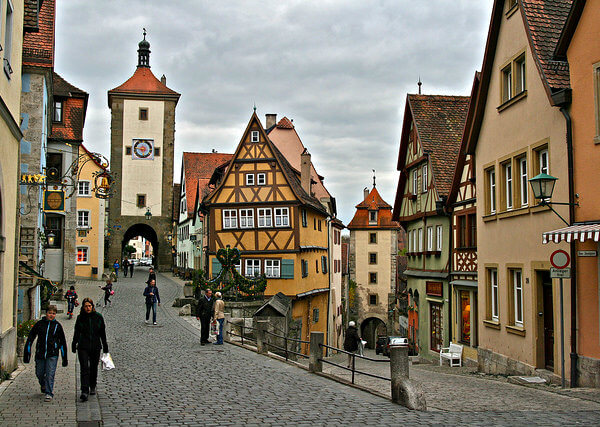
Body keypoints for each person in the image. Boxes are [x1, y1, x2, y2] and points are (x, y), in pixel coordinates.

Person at [23, 305, 68, 402]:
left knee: (50, 373)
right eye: (50, 313)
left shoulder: (57, 326)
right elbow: (31, 338)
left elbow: (62, 342)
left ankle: (49, 392)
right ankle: (43, 384)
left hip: (52, 354)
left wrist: (65, 358)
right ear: (46, 313)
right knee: (39, 373)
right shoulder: (39, 324)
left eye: (53, 313)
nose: (51, 315)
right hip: (40, 353)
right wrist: (27, 353)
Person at [72, 298, 108, 402]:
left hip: (96, 346)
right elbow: (77, 332)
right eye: (86, 306)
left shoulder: (98, 317)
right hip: (83, 346)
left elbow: (102, 333)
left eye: (89, 306)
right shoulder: (80, 318)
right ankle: (84, 390)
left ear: (92, 307)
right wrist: (74, 343)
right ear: (83, 308)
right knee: (84, 368)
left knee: (93, 367)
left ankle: (92, 385)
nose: (88, 308)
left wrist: (105, 346)